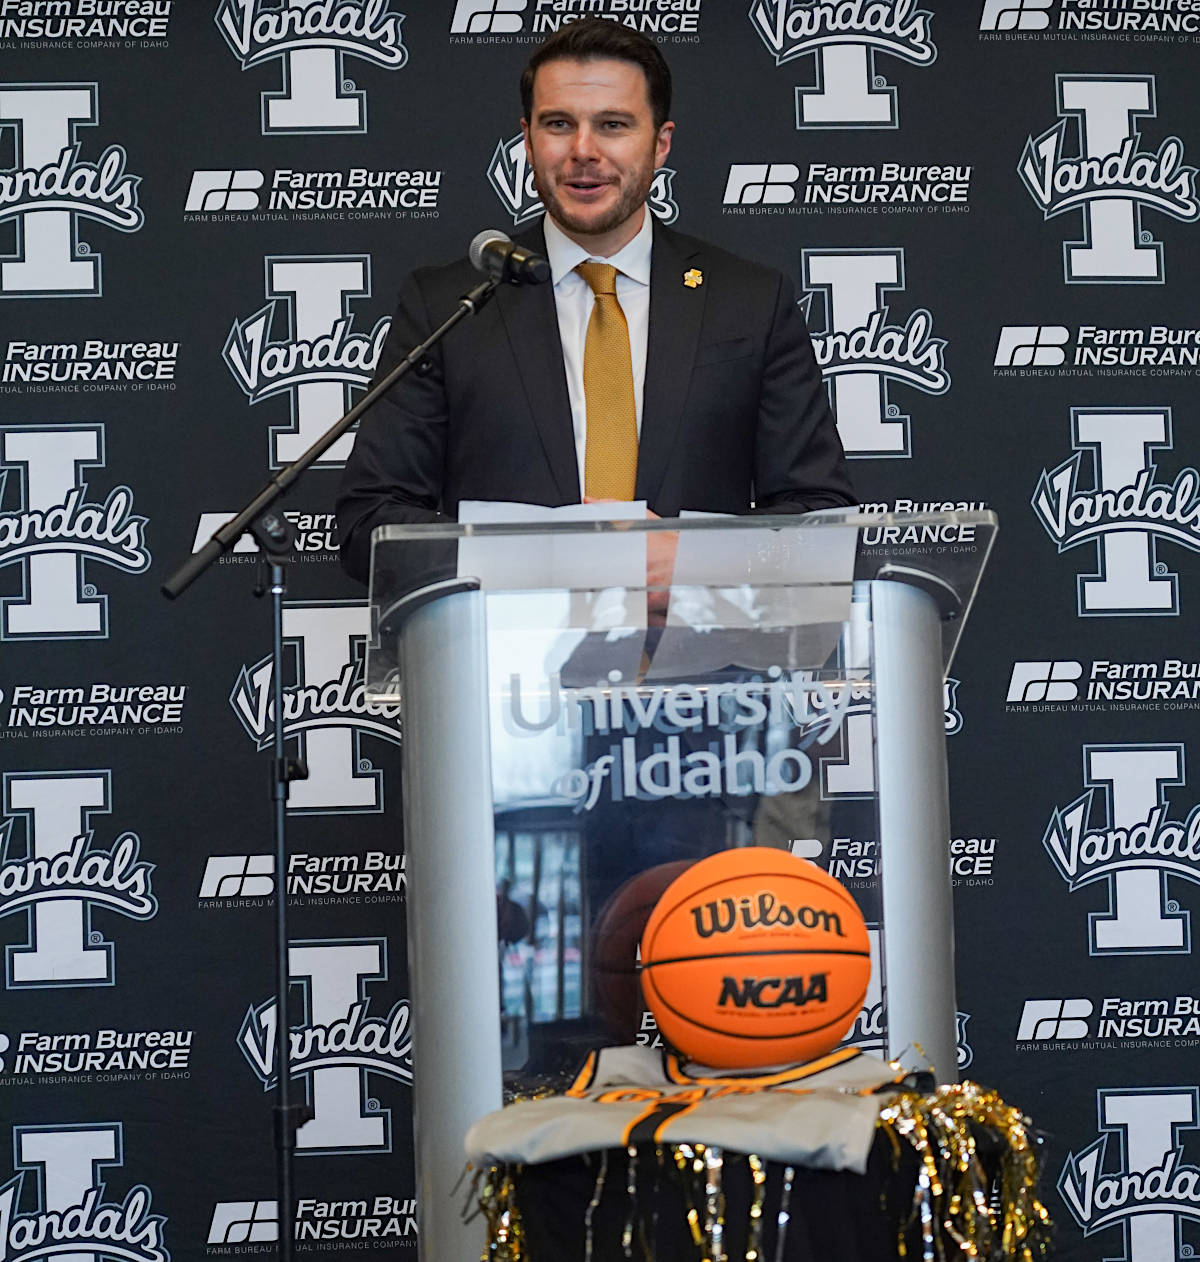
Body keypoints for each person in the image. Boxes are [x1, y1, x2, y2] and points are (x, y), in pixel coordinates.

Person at [335, 18, 855, 584]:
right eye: (559, 124)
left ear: (660, 144)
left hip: (701, 659)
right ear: (528, 140)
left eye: (613, 125)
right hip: (500, 660)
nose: (583, 150)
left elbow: (818, 516)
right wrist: (545, 565)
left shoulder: (750, 302)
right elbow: (371, 525)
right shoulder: (449, 305)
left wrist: (694, 565)